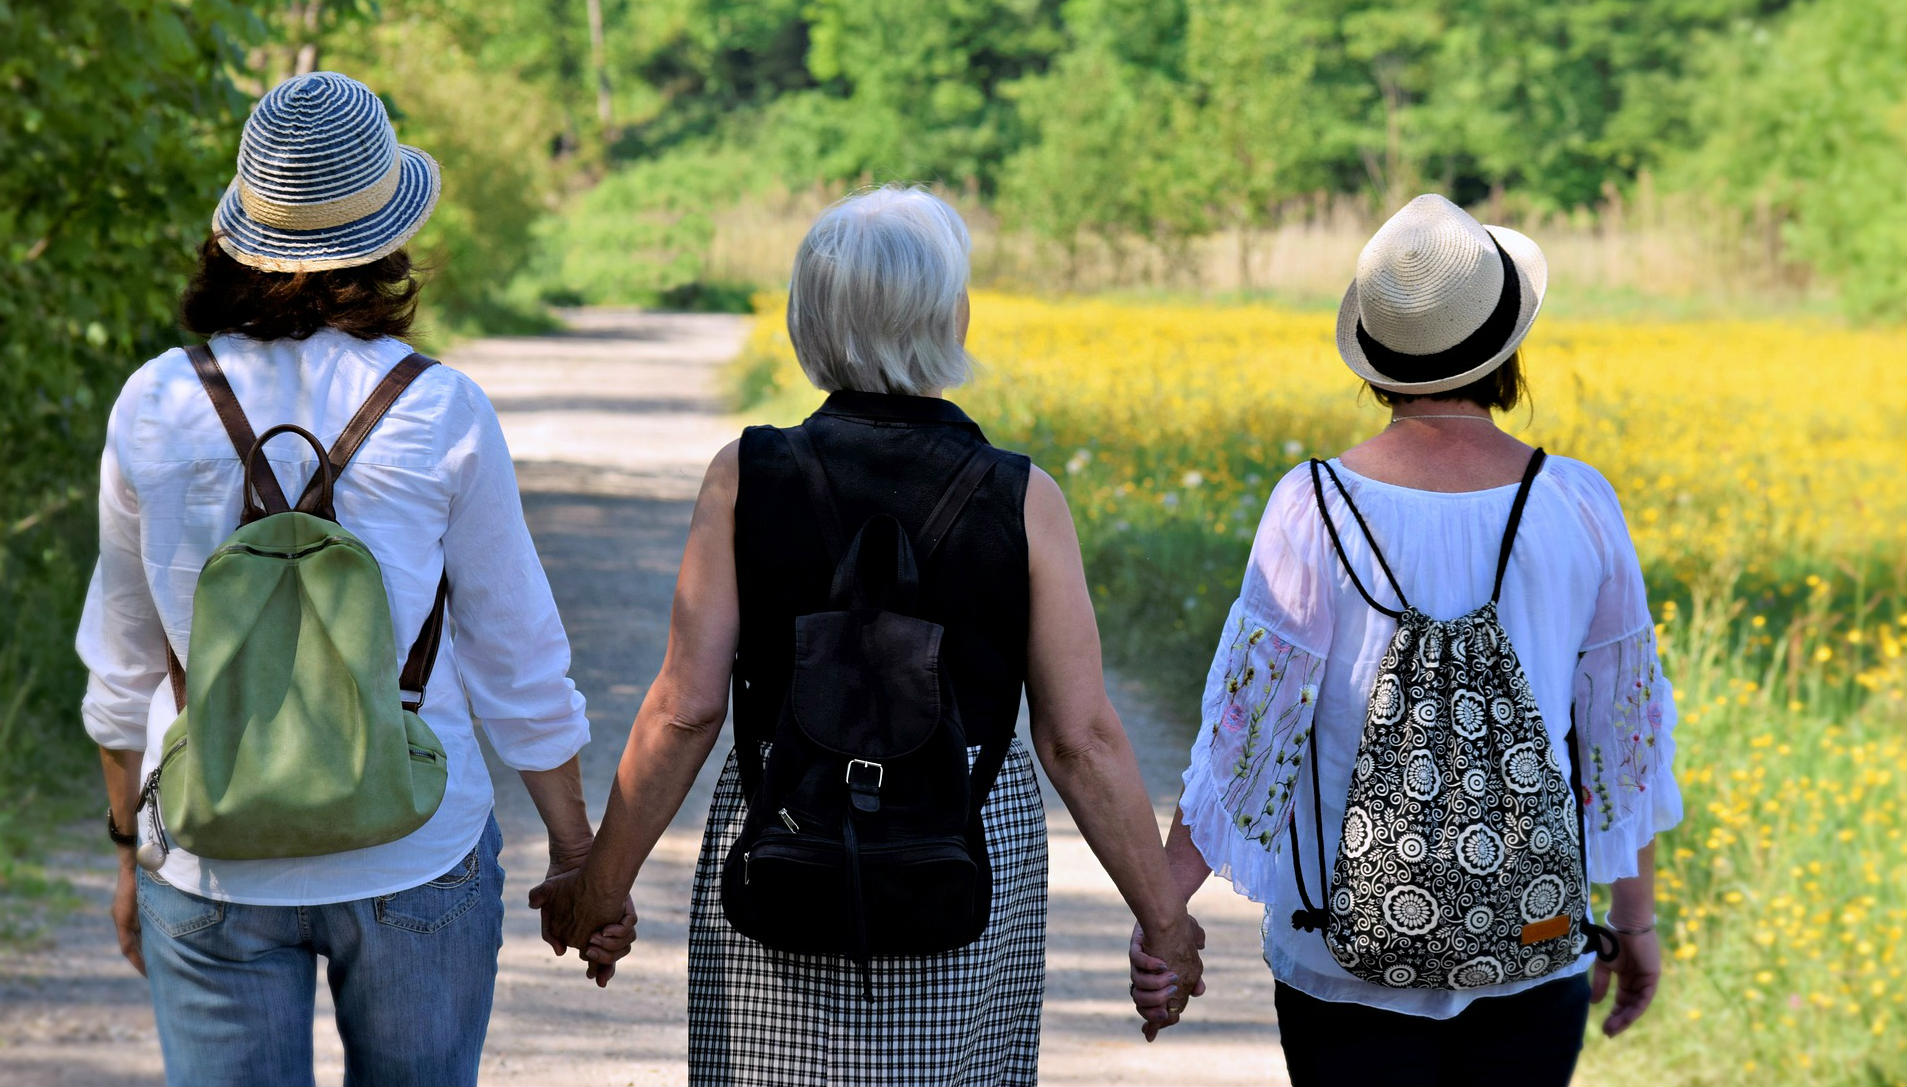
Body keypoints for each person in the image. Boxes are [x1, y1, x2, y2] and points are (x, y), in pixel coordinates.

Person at [531, 185, 1205, 1086]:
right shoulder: (1023, 496)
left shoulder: (746, 475)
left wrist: (602, 885)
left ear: (807, 320)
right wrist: (1163, 922)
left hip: (786, 817)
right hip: (962, 835)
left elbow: (684, 711)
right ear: (952, 316)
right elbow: (1076, 737)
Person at [76, 71, 625, 1087]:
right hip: (414, 842)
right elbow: (516, 658)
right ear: (387, 237)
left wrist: (128, 855)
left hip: (209, 854)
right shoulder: (441, 409)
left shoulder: (154, 403)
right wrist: (576, 853)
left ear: (238, 234)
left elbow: (120, 663)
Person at [1132, 194, 1682, 1086]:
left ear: (1377, 358)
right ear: (1507, 349)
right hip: (1534, 941)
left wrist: (1162, 915)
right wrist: (1637, 916)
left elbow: (1245, 742)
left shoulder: (1310, 505)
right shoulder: (1577, 502)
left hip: (1338, 958)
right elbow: (1624, 737)